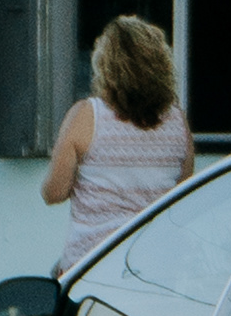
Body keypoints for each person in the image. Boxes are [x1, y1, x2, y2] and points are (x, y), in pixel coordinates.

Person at [44, 14, 195, 266]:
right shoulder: (178, 121)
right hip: (155, 263)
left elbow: (54, 193)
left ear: (104, 65)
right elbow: (183, 194)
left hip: (92, 264)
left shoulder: (86, 116)